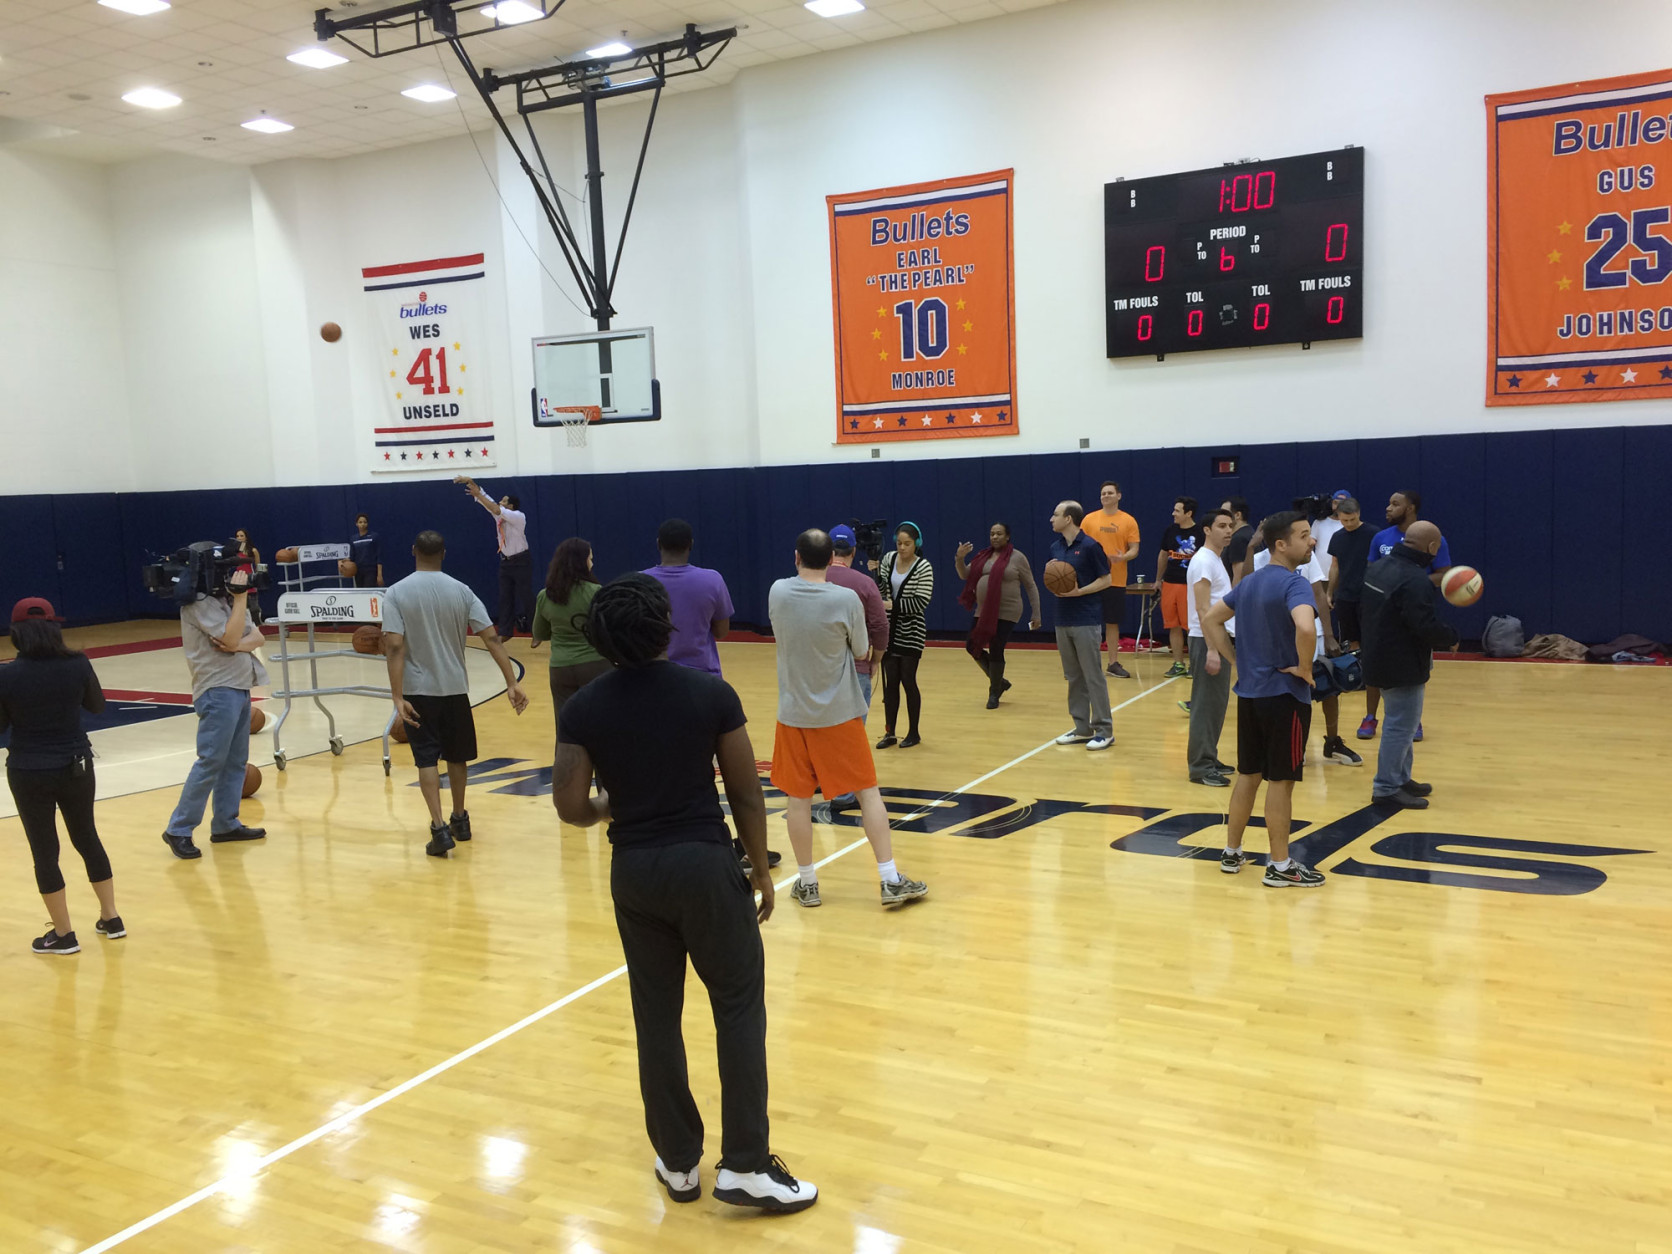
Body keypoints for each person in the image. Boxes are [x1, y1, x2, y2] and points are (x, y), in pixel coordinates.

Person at [551, 574, 817, 1213]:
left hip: (635, 874)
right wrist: (759, 867)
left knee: (657, 1016)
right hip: (704, 866)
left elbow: (569, 805)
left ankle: (678, 1163)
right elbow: (748, 792)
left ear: (604, 637)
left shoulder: (584, 706)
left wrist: (611, 805)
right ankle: (747, 1166)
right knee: (737, 1006)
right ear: (665, 626)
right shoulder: (709, 693)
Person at [770, 530, 928, 908]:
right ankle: (889, 879)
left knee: (797, 799)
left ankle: (807, 883)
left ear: (796, 557)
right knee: (867, 792)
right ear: (834, 559)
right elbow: (861, 649)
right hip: (838, 713)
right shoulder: (846, 598)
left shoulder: (777, 590)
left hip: (792, 715)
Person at [1199, 511, 1326, 888]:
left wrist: (1237, 660)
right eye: (1304, 536)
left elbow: (1211, 619)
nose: (1312, 542)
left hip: (1250, 696)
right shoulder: (1295, 584)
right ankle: (1281, 865)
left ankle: (1232, 851)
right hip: (1285, 697)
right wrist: (1304, 668)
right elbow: (1305, 626)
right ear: (1281, 545)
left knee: (1247, 776)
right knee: (1281, 782)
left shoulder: (1249, 584)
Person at [384, 530, 529, 857]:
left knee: (426, 758)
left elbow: (393, 645)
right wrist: (511, 682)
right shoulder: (462, 591)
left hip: (418, 691)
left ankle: (438, 829)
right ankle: (460, 819)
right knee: (457, 755)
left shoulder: (396, 592)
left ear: (413, 551)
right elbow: (492, 638)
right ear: (444, 554)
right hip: (455, 690)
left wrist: (397, 697)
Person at [0, 599, 122, 954]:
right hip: (76, 765)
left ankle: (65, 935)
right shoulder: (78, 663)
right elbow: (97, 706)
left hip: (29, 769)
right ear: (55, 627)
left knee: (45, 850)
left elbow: (1, 726)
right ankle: (111, 917)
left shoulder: (6, 674)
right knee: (87, 837)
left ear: (16, 632)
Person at [162, 550, 268, 860]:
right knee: (210, 760)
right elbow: (233, 635)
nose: (233, 577)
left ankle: (225, 824)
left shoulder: (225, 601)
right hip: (217, 690)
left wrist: (236, 641)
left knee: (235, 761)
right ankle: (178, 829)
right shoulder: (198, 605)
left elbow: (255, 637)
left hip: (239, 685)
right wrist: (239, 604)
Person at [1361, 521, 1458, 810]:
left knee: (1398, 722)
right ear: (1432, 548)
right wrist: (1451, 637)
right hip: (1402, 664)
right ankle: (1386, 788)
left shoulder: (1378, 568)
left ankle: (1401, 778)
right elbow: (1423, 626)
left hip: (1377, 657)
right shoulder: (1416, 581)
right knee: (1400, 726)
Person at [1359, 490, 1453, 740]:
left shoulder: (1435, 538)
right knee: (1376, 669)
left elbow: (1444, 574)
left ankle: (1413, 719)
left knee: (1412, 673)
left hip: (1416, 613)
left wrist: (1411, 584)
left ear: (1410, 508)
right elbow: (1373, 571)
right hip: (1383, 617)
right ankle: (1370, 716)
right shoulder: (1380, 537)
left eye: (1395, 504)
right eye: (1389, 503)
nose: (1388, 508)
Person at [822, 524, 888, 813]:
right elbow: (879, 624)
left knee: (822, 726)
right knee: (851, 730)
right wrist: (876, 658)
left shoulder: (812, 579)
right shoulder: (863, 583)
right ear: (852, 551)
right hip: (855, 665)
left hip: (818, 665)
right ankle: (843, 793)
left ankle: (823, 778)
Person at [1047, 501, 1114, 751]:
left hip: (1086, 618)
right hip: (1062, 618)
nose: (1051, 519)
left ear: (1069, 518)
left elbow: (1106, 579)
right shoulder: (1055, 547)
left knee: (1092, 675)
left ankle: (1105, 730)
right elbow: (1059, 579)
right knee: (1073, 676)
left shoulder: (1090, 546)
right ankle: (1082, 728)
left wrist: (1080, 592)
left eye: (1055, 514)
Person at [955, 522, 1042, 708]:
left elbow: (1031, 585)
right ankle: (999, 681)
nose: (995, 537)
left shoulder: (1018, 558)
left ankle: (994, 692)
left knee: (996, 647)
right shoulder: (982, 556)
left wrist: (1036, 613)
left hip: (1008, 611)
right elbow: (965, 575)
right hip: (984, 610)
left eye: (999, 534)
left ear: (1007, 536)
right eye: (992, 534)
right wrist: (959, 559)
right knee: (971, 645)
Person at [532, 537, 611, 724]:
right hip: (595, 664)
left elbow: (539, 633)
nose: (592, 563)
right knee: (599, 724)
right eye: (590, 558)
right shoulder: (597, 592)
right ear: (581, 562)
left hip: (560, 668)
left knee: (565, 726)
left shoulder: (545, 595)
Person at [643, 519, 735, 676]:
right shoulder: (713, 580)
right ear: (691, 544)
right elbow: (721, 632)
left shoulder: (640, 582)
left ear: (658, 544)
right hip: (703, 677)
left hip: (655, 676)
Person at [1185, 509, 1236, 786]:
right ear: (1206, 530)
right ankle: (1200, 766)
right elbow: (1203, 608)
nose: (1228, 530)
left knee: (1216, 704)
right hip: (1207, 640)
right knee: (1205, 704)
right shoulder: (1203, 561)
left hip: (1217, 637)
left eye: (1230, 525)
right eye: (1221, 526)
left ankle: (1209, 756)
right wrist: (1213, 649)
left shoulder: (1215, 559)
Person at [874, 522, 933, 749]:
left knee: (908, 681)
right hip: (890, 631)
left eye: (907, 544)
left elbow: (920, 602)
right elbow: (880, 592)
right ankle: (890, 732)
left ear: (916, 544)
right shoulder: (888, 559)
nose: (902, 548)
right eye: (899, 543)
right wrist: (875, 573)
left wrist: (892, 605)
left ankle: (914, 732)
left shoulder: (923, 567)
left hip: (912, 632)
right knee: (890, 685)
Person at [454, 475, 532, 639]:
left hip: (521, 561)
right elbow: (485, 500)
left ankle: (538, 631)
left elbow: (495, 508)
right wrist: (471, 483)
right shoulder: (499, 516)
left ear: (510, 506)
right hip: (506, 561)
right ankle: (505, 632)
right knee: (505, 598)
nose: (500, 502)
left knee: (527, 597)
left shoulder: (518, 516)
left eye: (503, 501)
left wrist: (480, 495)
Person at [1081, 481, 1140, 678]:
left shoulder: (1128, 520)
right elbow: (1079, 546)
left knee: (1112, 622)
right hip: (1091, 579)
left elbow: (1134, 549)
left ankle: (1113, 663)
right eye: (1103, 493)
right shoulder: (1089, 519)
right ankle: (1085, 664)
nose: (1105, 496)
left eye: (1110, 493)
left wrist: (1123, 557)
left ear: (1118, 496)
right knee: (1087, 622)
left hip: (1115, 579)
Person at [1155, 497, 1203, 678]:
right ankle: (1178, 663)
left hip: (1189, 585)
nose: (1173, 513)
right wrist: (1158, 579)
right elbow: (1162, 555)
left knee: (1191, 626)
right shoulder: (1170, 530)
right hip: (1170, 583)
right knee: (1173, 625)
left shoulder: (1200, 533)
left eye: (1177, 510)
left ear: (1188, 513)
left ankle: (1195, 664)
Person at [1326, 498, 1373, 650]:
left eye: (1352, 519)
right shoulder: (1337, 537)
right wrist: (1329, 592)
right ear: (1338, 516)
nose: (1348, 523)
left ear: (1358, 513)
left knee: (1369, 637)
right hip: (1345, 596)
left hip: (1367, 595)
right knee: (1350, 640)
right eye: (1344, 520)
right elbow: (1334, 566)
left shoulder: (1373, 534)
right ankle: (1354, 671)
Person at [1221, 498, 1254, 586]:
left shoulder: (1238, 539)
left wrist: (1232, 599)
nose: (1220, 516)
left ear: (1237, 515)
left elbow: (1238, 578)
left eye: (1224, 513)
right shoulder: (1250, 532)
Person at [349, 512, 385, 587]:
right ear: (356, 524)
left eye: (365, 522)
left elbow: (379, 557)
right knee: (361, 593)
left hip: (371, 570)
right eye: (360, 522)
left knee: (369, 592)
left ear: (367, 524)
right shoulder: (353, 539)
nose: (362, 524)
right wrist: (342, 562)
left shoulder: (374, 537)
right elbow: (352, 557)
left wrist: (379, 575)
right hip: (358, 571)